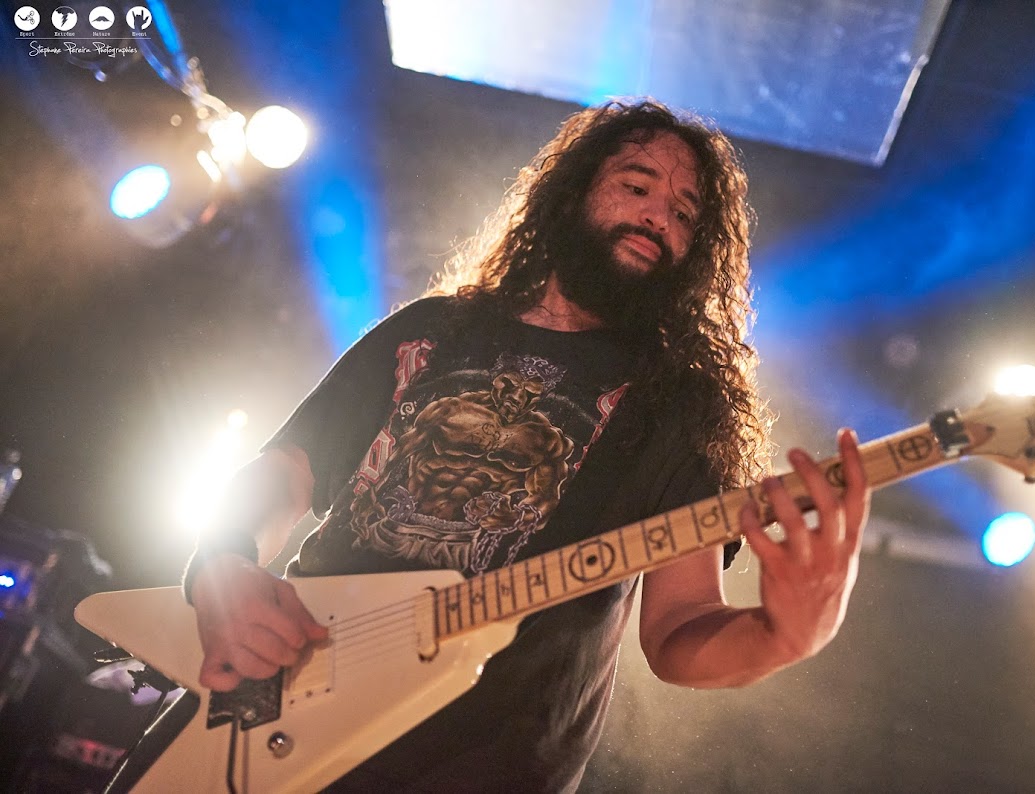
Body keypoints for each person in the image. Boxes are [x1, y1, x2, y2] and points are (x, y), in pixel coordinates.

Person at [184, 99, 871, 791]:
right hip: (271, 712)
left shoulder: (680, 408)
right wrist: (223, 560)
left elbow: (678, 629)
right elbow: (285, 471)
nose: (658, 218)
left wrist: (784, 636)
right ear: (572, 193)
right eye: (637, 187)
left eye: (685, 214)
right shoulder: (431, 330)